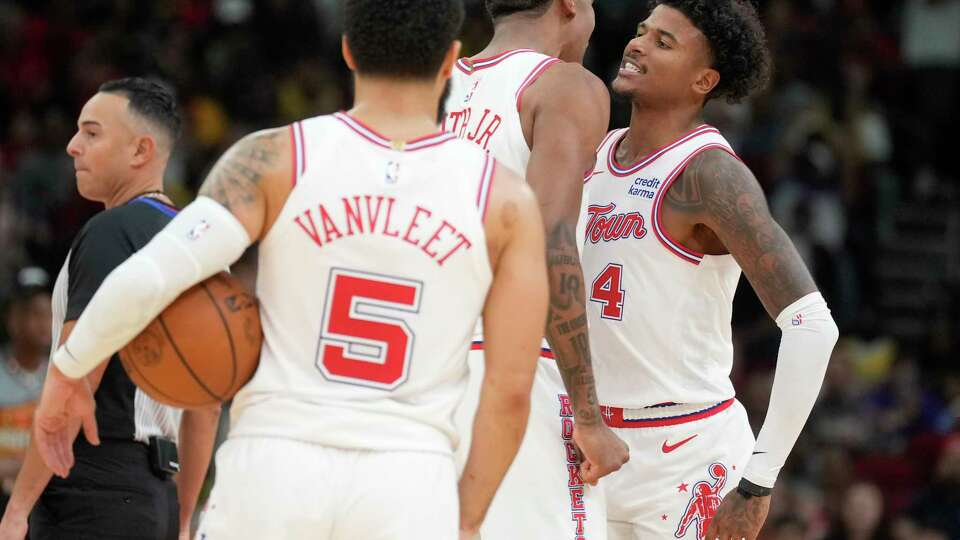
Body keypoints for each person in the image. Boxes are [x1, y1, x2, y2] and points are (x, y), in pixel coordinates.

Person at [31, 1, 549, 538]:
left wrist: (68, 373)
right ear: (451, 61)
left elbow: (153, 275)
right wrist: (465, 519)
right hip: (408, 478)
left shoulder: (275, 157)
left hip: (274, 465)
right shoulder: (505, 198)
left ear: (347, 51)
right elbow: (510, 391)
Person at [580, 1, 839, 539]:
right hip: (590, 448)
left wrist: (757, 483)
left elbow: (813, 327)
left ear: (705, 79)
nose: (637, 44)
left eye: (664, 42)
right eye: (641, 32)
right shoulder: (592, 155)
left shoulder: (710, 176)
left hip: (685, 456)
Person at [0, 78, 220, 540]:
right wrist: (180, 520)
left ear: (140, 151)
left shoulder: (112, 232)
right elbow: (206, 407)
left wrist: (17, 509)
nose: (72, 145)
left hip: (89, 487)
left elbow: (76, 378)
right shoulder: (201, 246)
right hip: (155, 493)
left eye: (92, 133)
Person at [443, 1, 629, 537]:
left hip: (413, 362)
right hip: (507, 367)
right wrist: (588, 417)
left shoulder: (426, 84)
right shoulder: (564, 86)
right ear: (569, 3)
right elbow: (551, 241)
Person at [0, 271, 52, 515]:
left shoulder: (63, 376)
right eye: (33, 313)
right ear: (12, 319)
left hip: (48, 502)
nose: (43, 323)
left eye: (48, 314)